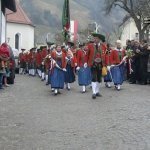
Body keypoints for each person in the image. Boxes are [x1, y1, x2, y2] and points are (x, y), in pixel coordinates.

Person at [88, 33, 106, 99]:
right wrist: (85, 62)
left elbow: (106, 55)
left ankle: (97, 91)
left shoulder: (103, 46)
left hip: (101, 64)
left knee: (99, 79)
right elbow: (87, 54)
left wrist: (107, 64)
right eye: (94, 38)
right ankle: (93, 93)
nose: (95, 39)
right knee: (94, 78)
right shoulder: (90, 45)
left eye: (96, 38)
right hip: (93, 64)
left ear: (99, 39)